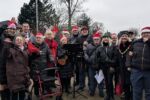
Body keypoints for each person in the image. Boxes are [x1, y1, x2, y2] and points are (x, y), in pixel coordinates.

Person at [126, 26, 150, 100]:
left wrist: (148, 42)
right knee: (136, 91)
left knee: (148, 92)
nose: (145, 34)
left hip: (148, 71)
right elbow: (129, 54)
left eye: (147, 33)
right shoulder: (135, 43)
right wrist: (128, 65)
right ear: (141, 34)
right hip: (136, 71)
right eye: (143, 33)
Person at [5, 35, 32, 100]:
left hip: (24, 76)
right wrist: (7, 44)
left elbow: (28, 62)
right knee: (14, 95)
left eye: (20, 40)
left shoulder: (26, 50)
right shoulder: (11, 50)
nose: (19, 41)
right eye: (17, 40)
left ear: (23, 41)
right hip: (15, 77)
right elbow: (7, 54)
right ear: (14, 41)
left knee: (22, 94)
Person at [96, 32, 117, 100]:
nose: (105, 39)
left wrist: (109, 62)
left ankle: (111, 96)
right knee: (107, 82)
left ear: (109, 39)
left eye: (107, 38)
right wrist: (99, 62)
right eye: (104, 38)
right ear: (102, 40)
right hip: (103, 67)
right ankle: (108, 95)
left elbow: (115, 59)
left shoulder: (113, 47)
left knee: (110, 82)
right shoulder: (100, 48)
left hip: (110, 67)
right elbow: (97, 58)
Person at [84, 33, 104, 97]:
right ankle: (92, 91)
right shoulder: (89, 46)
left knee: (100, 80)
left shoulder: (102, 46)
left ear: (100, 39)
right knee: (92, 80)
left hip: (100, 67)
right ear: (93, 39)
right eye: (95, 39)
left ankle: (101, 92)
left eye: (97, 39)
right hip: (91, 66)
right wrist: (88, 59)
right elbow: (85, 53)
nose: (96, 41)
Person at [0, 23, 17, 100]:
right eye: (11, 28)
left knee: (12, 93)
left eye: (14, 29)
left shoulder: (15, 39)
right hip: (3, 69)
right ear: (7, 29)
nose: (12, 30)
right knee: (4, 93)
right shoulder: (2, 37)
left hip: (12, 72)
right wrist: (2, 81)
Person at [116, 31, 132, 100]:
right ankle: (126, 96)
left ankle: (130, 97)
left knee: (130, 84)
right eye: (122, 36)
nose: (124, 37)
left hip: (130, 68)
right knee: (124, 83)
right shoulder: (118, 47)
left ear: (128, 38)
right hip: (121, 69)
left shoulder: (131, 46)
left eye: (125, 36)